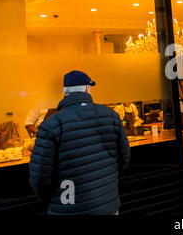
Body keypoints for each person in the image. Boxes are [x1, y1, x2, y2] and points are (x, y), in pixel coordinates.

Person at [29, 70, 130, 215]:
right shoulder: (111, 116)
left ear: (65, 92)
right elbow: (124, 159)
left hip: (67, 209)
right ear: (87, 88)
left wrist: (56, 200)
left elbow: (39, 178)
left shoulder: (50, 125)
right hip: (107, 205)